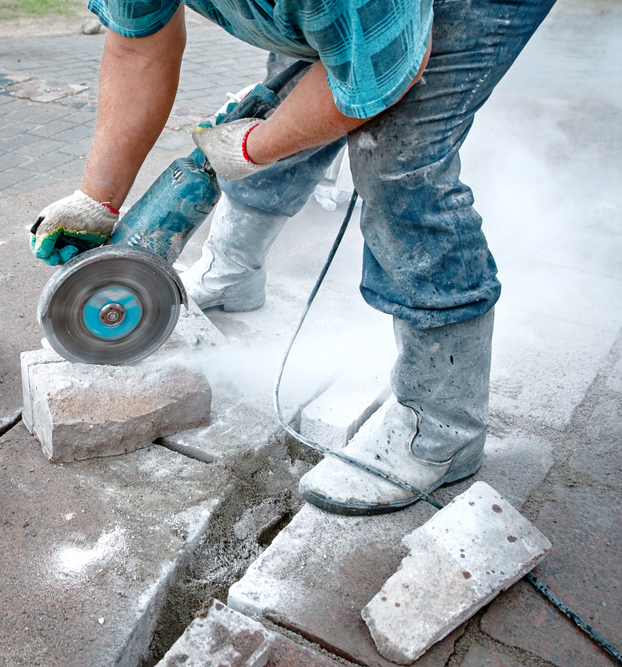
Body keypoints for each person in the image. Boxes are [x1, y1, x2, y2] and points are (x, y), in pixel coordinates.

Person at [29, 0, 555, 515]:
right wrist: (97, 200)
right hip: (347, 16)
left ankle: (441, 427)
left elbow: (372, 86)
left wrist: (253, 148)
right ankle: (233, 271)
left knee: (397, 167)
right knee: (278, 113)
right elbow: (138, 52)